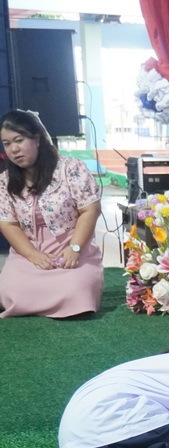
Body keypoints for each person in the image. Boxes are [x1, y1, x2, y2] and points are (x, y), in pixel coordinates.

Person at [0, 109, 103, 318]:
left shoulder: (71, 168)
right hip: (28, 253)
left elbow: (90, 209)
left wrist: (75, 248)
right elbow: (8, 224)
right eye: (7, 144)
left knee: (76, 289)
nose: (14, 149)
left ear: (37, 138)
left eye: (19, 140)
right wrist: (32, 255)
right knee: (11, 290)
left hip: (72, 250)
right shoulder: (5, 180)